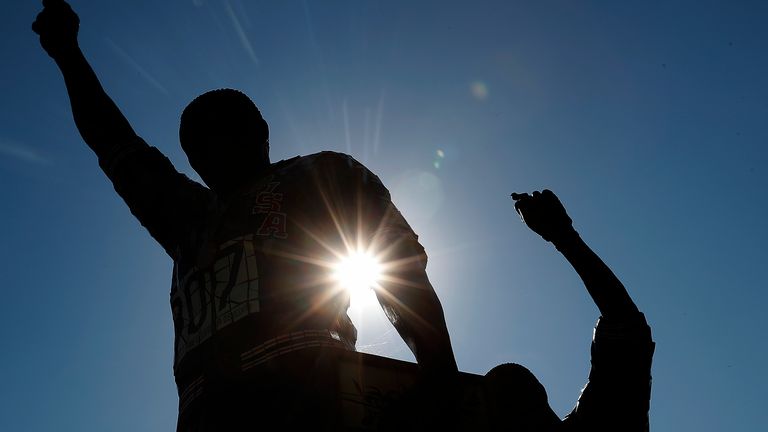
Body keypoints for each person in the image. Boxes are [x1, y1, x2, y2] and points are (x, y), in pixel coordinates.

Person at [32, 0, 456, 429]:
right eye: (195, 143)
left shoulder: (323, 173)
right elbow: (112, 140)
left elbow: (399, 268)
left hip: (314, 400)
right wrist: (68, 54)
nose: (208, 148)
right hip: (206, 413)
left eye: (223, 130)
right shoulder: (187, 216)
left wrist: (440, 374)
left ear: (260, 132)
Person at [483, 190, 655, 431]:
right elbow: (625, 325)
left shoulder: (598, 419)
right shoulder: (597, 416)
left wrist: (564, 238)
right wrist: (564, 237)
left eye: (512, 399)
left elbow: (624, 325)